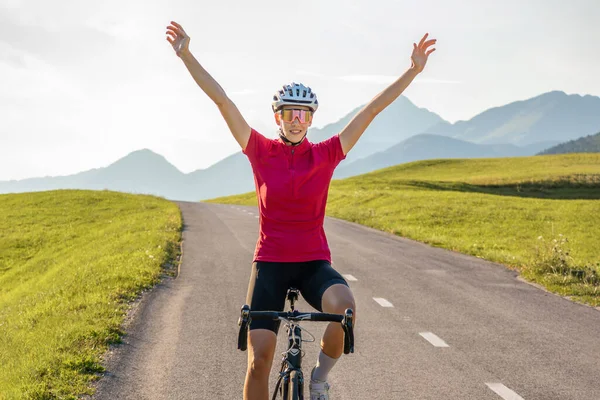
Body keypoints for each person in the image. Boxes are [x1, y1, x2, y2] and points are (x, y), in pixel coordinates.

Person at [166, 20, 436, 400]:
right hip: (270, 264)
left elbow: (372, 110)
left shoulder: (326, 154)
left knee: (345, 311)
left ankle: (320, 379)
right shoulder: (260, 149)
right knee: (260, 360)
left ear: (312, 119)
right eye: (290, 113)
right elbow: (223, 100)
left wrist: (413, 70)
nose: (297, 120)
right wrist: (186, 55)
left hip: (312, 263)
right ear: (277, 116)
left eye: (304, 114)